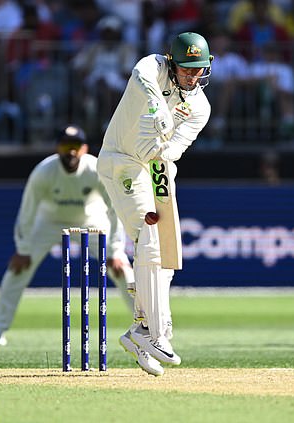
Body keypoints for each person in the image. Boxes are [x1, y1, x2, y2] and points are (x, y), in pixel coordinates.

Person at [96, 32, 212, 376]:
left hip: (155, 169)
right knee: (150, 239)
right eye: (187, 69)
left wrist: (162, 146)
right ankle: (156, 334)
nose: (192, 77)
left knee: (163, 253)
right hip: (121, 161)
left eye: (199, 70)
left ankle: (141, 330)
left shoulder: (200, 107)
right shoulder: (153, 66)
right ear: (172, 62)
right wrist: (156, 107)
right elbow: (139, 74)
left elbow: (175, 149)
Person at [0, 124, 136, 346]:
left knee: (121, 269)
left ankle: (146, 328)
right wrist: (23, 249)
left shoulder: (96, 168)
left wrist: (115, 250)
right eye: (66, 145)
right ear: (58, 148)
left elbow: (114, 208)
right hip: (49, 222)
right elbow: (27, 211)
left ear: (83, 149)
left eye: (75, 146)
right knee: (17, 270)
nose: (70, 151)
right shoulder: (44, 171)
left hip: (91, 220)